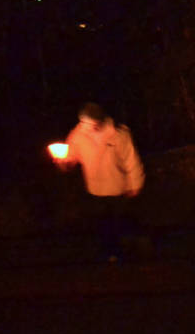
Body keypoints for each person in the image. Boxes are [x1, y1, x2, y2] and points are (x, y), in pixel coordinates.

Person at [53, 102, 144, 261]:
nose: (85, 126)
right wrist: (63, 162)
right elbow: (71, 157)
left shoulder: (119, 133)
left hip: (117, 186)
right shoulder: (78, 135)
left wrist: (135, 183)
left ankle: (122, 251)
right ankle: (108, 252)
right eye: (83, 122)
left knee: (118, 221)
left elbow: (131, 159)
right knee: (102, 222)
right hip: (95, 188)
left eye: (89, 123)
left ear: (98, 122)